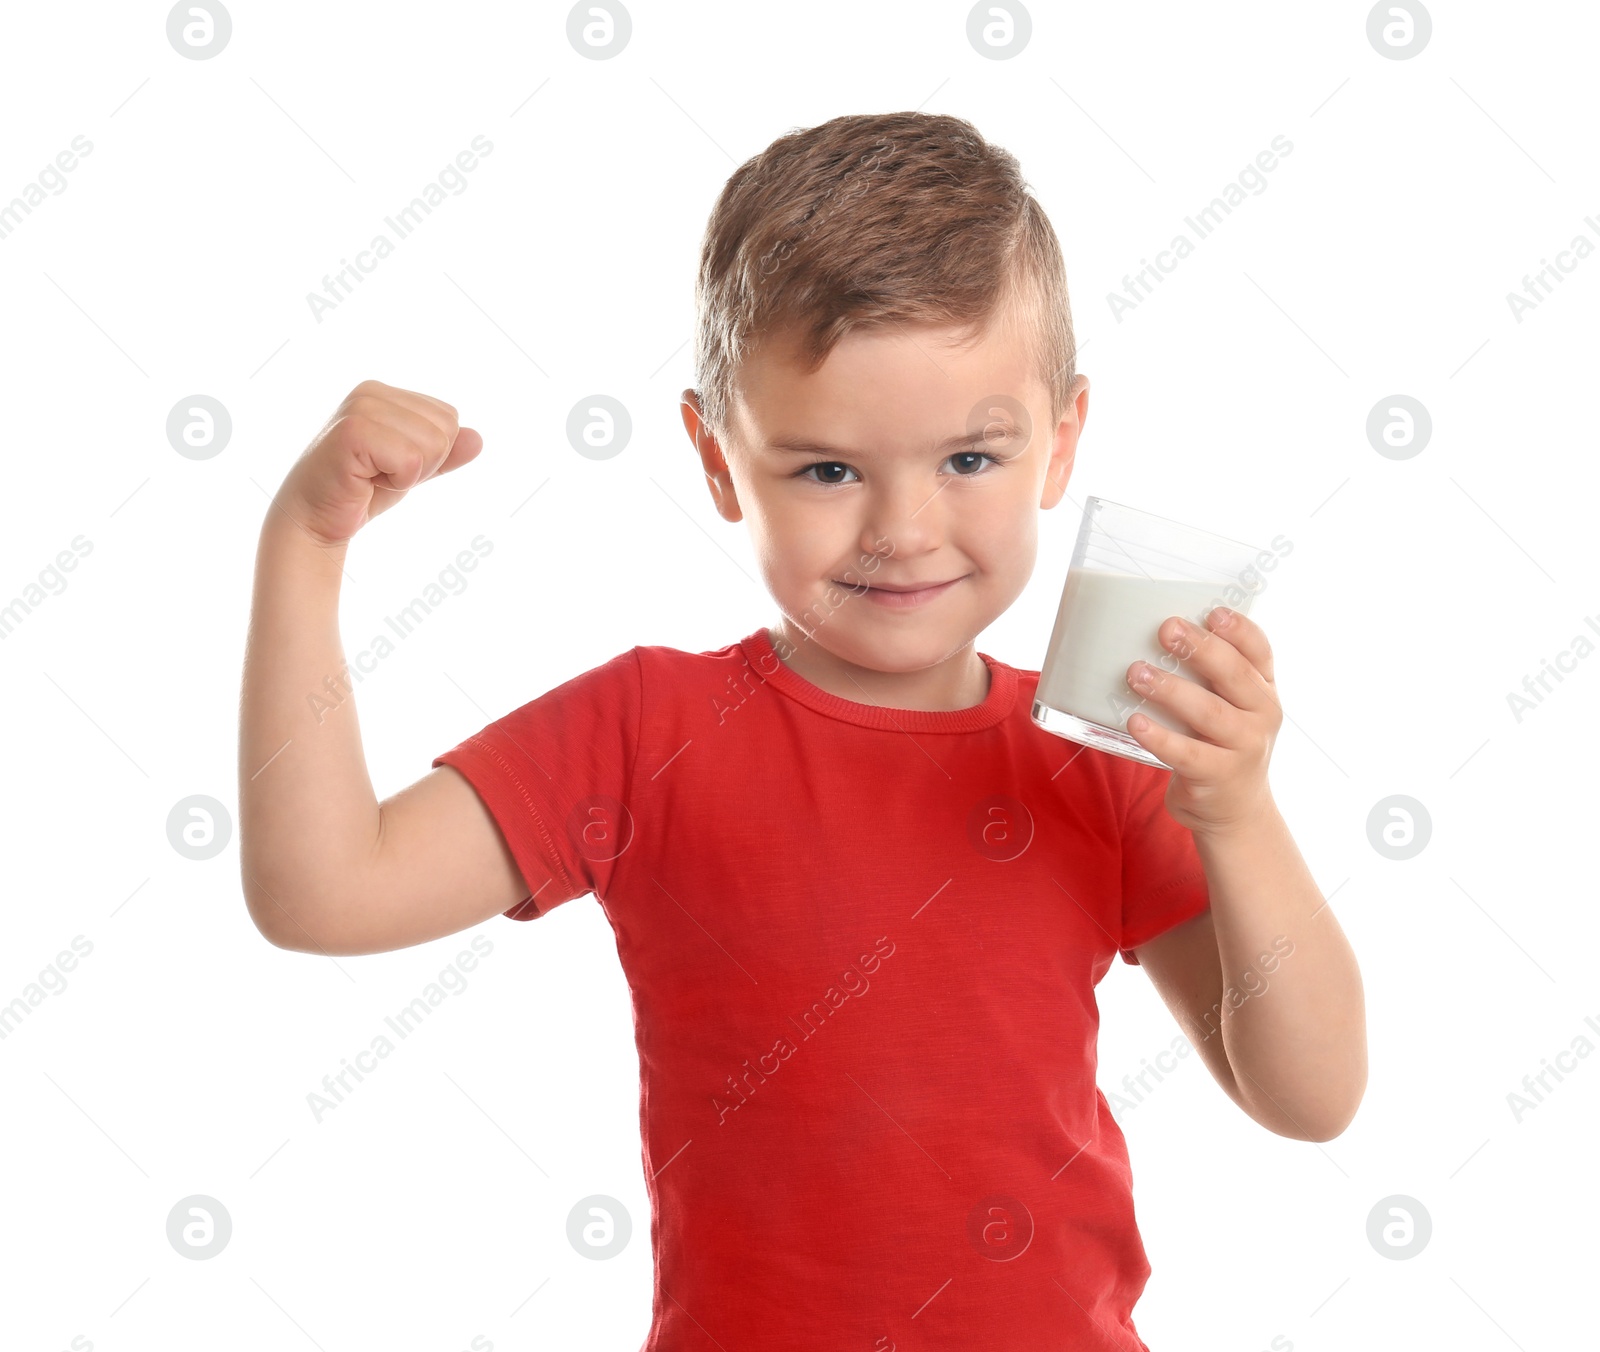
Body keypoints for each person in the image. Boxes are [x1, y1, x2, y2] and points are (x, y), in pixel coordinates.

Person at [238, 110, 1365, 1349]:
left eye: (970, 457)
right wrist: (306, 545)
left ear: (1062, 439)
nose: (904, 526)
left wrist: (1240, 813)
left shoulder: (1101, 749)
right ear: (718, 457)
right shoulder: (642, 729)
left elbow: (1308, 1096)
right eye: (827, 470)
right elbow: (325, 894)